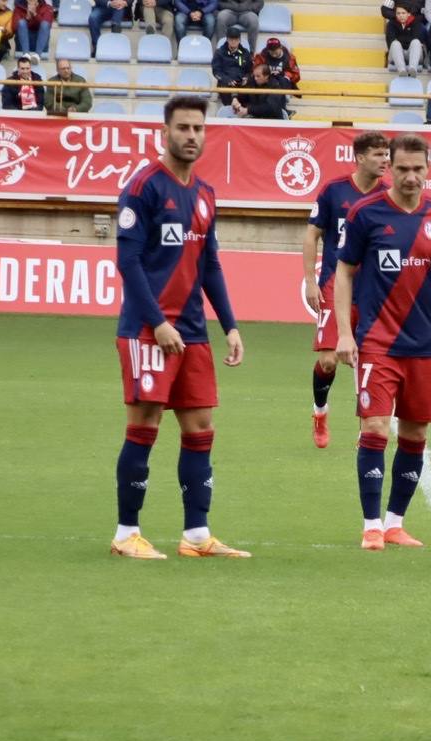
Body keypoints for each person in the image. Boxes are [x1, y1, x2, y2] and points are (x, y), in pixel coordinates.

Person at [110, 95, 249, 561]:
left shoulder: (205, 194)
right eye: (183, 128)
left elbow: (210, 265)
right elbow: (127, 262)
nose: (192, 136)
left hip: (191, 332)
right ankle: (126, 533)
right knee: (145, 423)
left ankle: (196, 535)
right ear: (164, 133)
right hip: (148, 330)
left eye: (198, 128)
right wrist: (157, 322)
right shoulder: (143, 187)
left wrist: (229, 324)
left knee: (200, 425)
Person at [333, 133, 431, 551]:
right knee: (373, 427)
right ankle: (371, 524)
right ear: (390, 166)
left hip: (423, 345)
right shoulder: (366, 213)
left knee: (415, 432)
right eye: (402, 168)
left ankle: (394, 523)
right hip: (377, 342)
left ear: (429, 167)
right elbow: (344, 273)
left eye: (417, 169)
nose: (410, 177)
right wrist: (342, 333)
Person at [301, 132, 389, 449]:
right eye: (378, 154)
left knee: (368, 358)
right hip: (334, 283)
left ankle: (366, 427)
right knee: (328, 361)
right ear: (360, 157)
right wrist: (310, 280)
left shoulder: (387, 195)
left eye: (386, 154)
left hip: (373, 291)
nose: (385, 160)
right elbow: (312, 235)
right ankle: (320, 412)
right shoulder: (334, 191)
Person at [212, 23, 252, 106]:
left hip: (241, 83)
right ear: (227, 39)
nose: (233, 41)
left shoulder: (245, 53)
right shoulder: (219, 53)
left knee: (252, 83)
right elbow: (216, 72)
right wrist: (227, 79)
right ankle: (230, 108)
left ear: (239, 40)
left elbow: (250, 70)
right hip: (226, 83)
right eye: (231, 39)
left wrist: (247, 77)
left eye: (236, 39)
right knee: (223, 84)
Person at [386, 5, 426, 76]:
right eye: (398, 13)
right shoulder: (391, 24)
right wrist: (407, 38)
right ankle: (402, 70)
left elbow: (417, 38)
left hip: (412, 54)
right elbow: (390, 42)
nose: (401, 15)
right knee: (395, 44)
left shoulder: (416, 23)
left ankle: (412, 69)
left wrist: (399, 38)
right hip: (396, 55)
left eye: (403, 13)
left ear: (409, 14)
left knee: (416, 42)